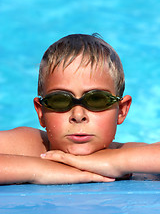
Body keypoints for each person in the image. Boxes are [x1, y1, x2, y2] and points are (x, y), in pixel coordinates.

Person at [0, 34, 160, 185]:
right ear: (41, 113)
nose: (78, 115)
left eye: (96, 99)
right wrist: (38, 170)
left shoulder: (124, 153)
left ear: (121, 110)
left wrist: (114, 163)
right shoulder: (31, 146)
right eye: (60, 100)